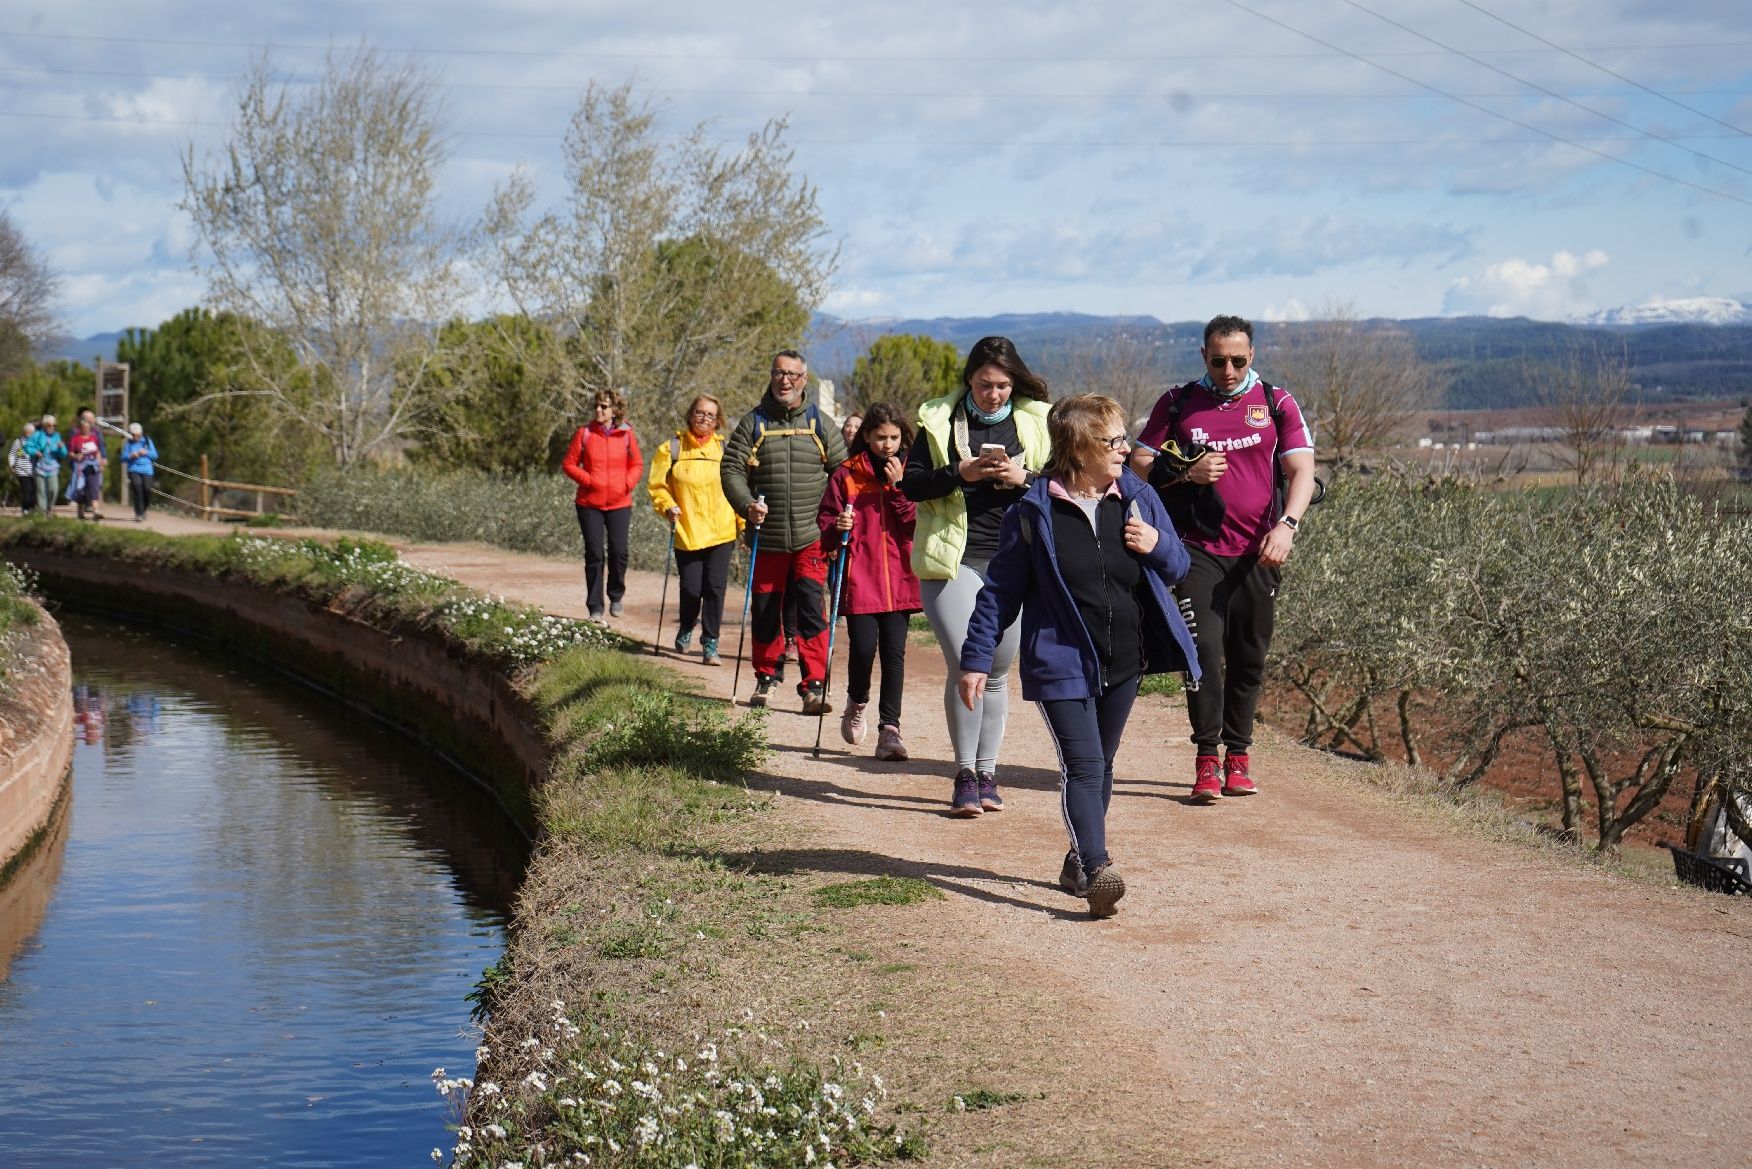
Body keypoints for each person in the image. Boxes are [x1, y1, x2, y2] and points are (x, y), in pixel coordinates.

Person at [958, 394, 1199, 918]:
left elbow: (1178, 565)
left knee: (1102, 764)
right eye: (1112, 441)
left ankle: (1075, 862)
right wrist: (977, 656)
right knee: (1084, 764)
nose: (1124, 449)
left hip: (1124, 659)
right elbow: (999, 590)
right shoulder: (1034, 510)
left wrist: (1155, 542)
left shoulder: (1136, 498)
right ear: (1080, 448)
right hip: (1060, 657)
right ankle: (1096, 866)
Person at [1130, 314, 1316, 803]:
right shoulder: (1179, 402)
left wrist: (1288, 526)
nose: (1228, 370)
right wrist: (1188, 471)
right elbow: (1140, 463)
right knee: (1205, 653)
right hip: (1197, 548)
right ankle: (1207, 758)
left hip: (1260, 551)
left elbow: (1302, 470)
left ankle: (1239, 755)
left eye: (1237, 360)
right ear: (1203, 357)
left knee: (1249, 656)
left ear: (1251, 356)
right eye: (1218, 361)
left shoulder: (1276, 403)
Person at [901, 336, 1051, 816]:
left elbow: (1060, 484)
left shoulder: (1037, 421)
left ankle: (989, 774)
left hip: (1014, 562)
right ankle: (964, 774)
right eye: (986, 384)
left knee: (999, 672)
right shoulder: (938, 422)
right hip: (953, 560)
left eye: (1004, 385)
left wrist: (1021, 478)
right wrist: (959, 472)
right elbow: (912, 484)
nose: (995, 394)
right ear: (969, 379)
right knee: (968, 662)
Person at [720, 349, 849, 712]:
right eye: (779, 373)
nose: (785, 380)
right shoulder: (753, 423)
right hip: (767, 538)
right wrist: (747, 505)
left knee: (811, 610)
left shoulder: (820, 424)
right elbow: (731, 470)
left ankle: (814, 685)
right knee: (764, 610)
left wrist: (838, 518)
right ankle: (766, 678)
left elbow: (843, 476)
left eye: (793, 374)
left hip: (812, 538)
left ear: (804, 379)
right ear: (771, 376)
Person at [816, 401, 921, 760]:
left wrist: (897, 487)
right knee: (863, 649)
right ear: (867, 437)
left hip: (901, 579)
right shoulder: (845, 474)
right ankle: (857, 702)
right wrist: (836, 527)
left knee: (894, 655)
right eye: (880, 438)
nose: (887, 445)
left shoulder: (910, 471)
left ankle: (890, 730)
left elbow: (914, 522)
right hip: (860, 576)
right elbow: (826, 529)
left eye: (893, 437)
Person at [647, 394, 740, 665]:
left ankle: (710, 642)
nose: (705, 419)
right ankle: (687, 626)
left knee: (715, 587)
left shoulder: (726, 451)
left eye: (711, 415)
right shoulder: (672, 449)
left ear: (718, 421)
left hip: (721, 529)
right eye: (700, 413)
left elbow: (737, 487)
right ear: (690, 415)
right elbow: (657, 486)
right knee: (691, 588)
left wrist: (744, 523)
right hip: (688, 530)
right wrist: (667, 506)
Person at [562, 388, 644, 620]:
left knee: (619, 552)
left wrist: (625, 484)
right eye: (596, 406)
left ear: (615, 410)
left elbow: (637, 464)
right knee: (595, 554)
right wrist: (589, 481)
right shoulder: (584, 433)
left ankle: (616, 595)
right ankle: (595, 607)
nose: (598, 410)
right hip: (589, 503)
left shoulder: (627, 434)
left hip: (620, 502)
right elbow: (569, 464)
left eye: (604, 406)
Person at [26, 415, 68, 517]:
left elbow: (64, 453)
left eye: (54, 425)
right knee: (41, 491)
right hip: (39, 467)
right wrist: (35, 451)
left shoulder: (57, 436)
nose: (52, 427)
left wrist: (61, 448)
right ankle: (43, 512)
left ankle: (50, 507)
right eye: (49, 425)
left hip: (52, 467)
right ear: (44, 426)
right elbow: (27, 446)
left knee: (53, 489)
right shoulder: (37, 435)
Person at [120, 423, 158, 521]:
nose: (136, 437)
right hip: (134, 469)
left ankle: (144, 510)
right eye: (133, 435)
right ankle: (139, 513)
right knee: (137, 489)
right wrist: (131, 456)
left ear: (141, 433)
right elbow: (123, 458)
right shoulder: (128, 443)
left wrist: (146, 452)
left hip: (147, 470)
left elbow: (155, 455)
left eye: (137, 435)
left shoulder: (147, 441)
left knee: (146, 489)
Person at [9, 422, 36, 516]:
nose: (29, 434)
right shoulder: (19, 441)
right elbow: (12, 454)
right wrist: (12, 465)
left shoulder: (35, 441)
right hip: (21, 470)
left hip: (33, 471)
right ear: (24, 432)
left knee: (33, 491)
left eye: (31, 432)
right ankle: (25, 509)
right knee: (27, 490)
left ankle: (32, 508)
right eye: (27, 432)